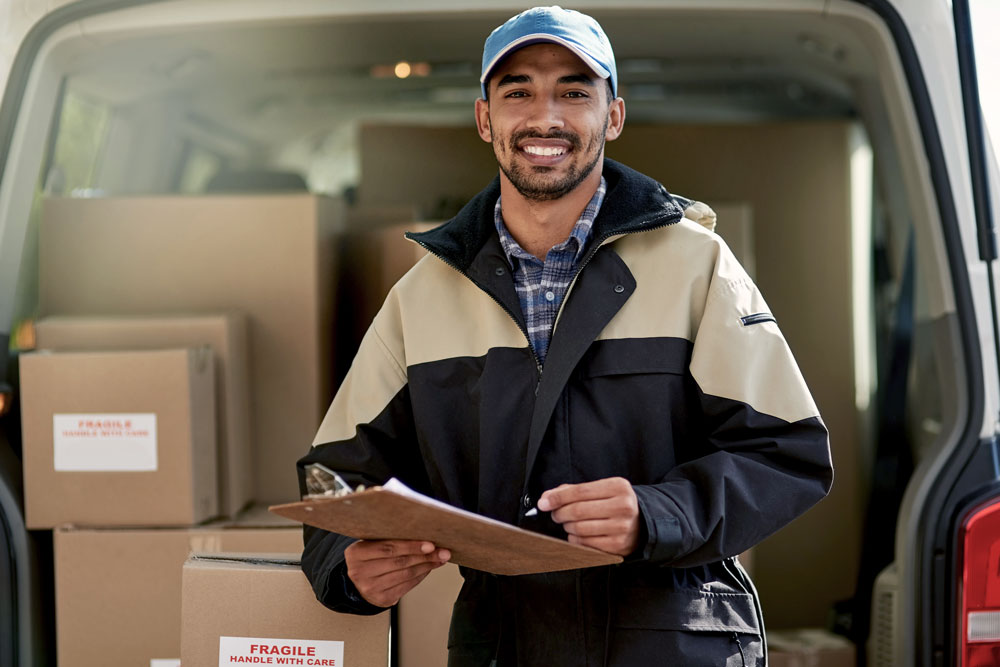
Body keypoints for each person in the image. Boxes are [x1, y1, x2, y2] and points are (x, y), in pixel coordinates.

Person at [298, 6, 833, 666]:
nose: (545, 117)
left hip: (668, 646)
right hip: (501, 647)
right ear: (485, 118)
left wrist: (657, 511)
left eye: (574, 91)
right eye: (517, 90)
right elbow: (333, 478)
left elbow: (787, 453)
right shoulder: (422, 297)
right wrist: (347, 568)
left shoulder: (698, 266)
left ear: (612, 116)